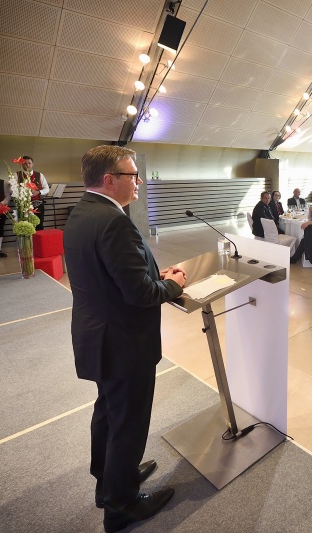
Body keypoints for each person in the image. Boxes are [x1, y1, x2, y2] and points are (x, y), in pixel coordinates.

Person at [63, 145, 186, 533]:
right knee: (128, 423)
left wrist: (153, 276)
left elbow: (113, 277)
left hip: (97, 337)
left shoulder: (82, 212)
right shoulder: (114, 221)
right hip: (123, 343)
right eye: (133, 175)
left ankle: (109, 481)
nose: (139, 182)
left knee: (108, 412)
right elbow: (141, 295)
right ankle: (122, 506)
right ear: (109, 180)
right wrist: (172, 284)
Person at [17, 155, 50, 229]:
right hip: (23, 206)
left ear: (33, 164)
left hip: (38, 204)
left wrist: (38, 192)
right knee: (25, 227)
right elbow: (12, 190)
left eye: (29, 163)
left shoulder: (40, 175)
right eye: (25, 163)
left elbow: (47, 189)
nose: (27, 165)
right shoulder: (16, 175)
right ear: (22, 164)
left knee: (39, 226)